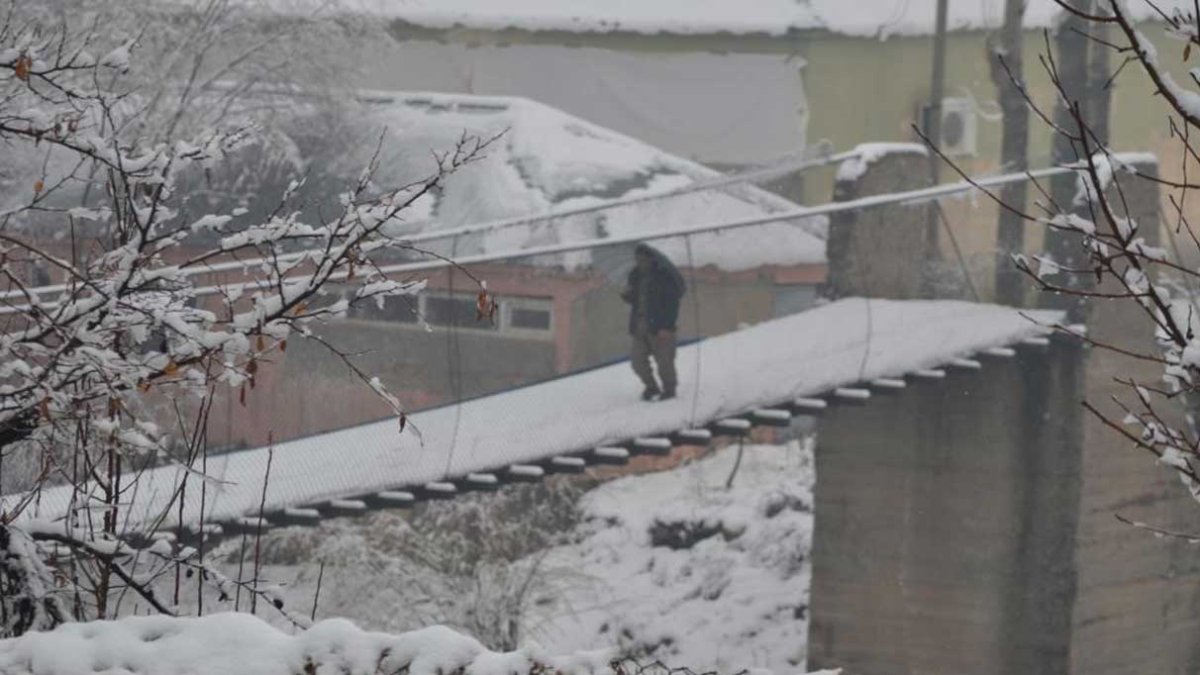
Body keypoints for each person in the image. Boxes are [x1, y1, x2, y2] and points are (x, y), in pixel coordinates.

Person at [621, 243, 685, 401]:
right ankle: (651, 386)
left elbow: (672, 304)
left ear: (651, 259)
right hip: (639, 324)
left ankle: (669, 389)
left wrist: (667, 327)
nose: (640, 262)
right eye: (637, 259)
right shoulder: (635, 275)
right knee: (637, 362)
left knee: (665, 362)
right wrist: (627, 295)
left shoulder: (664, 276)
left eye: (643, 259)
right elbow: (635, 300)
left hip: (660, 327)